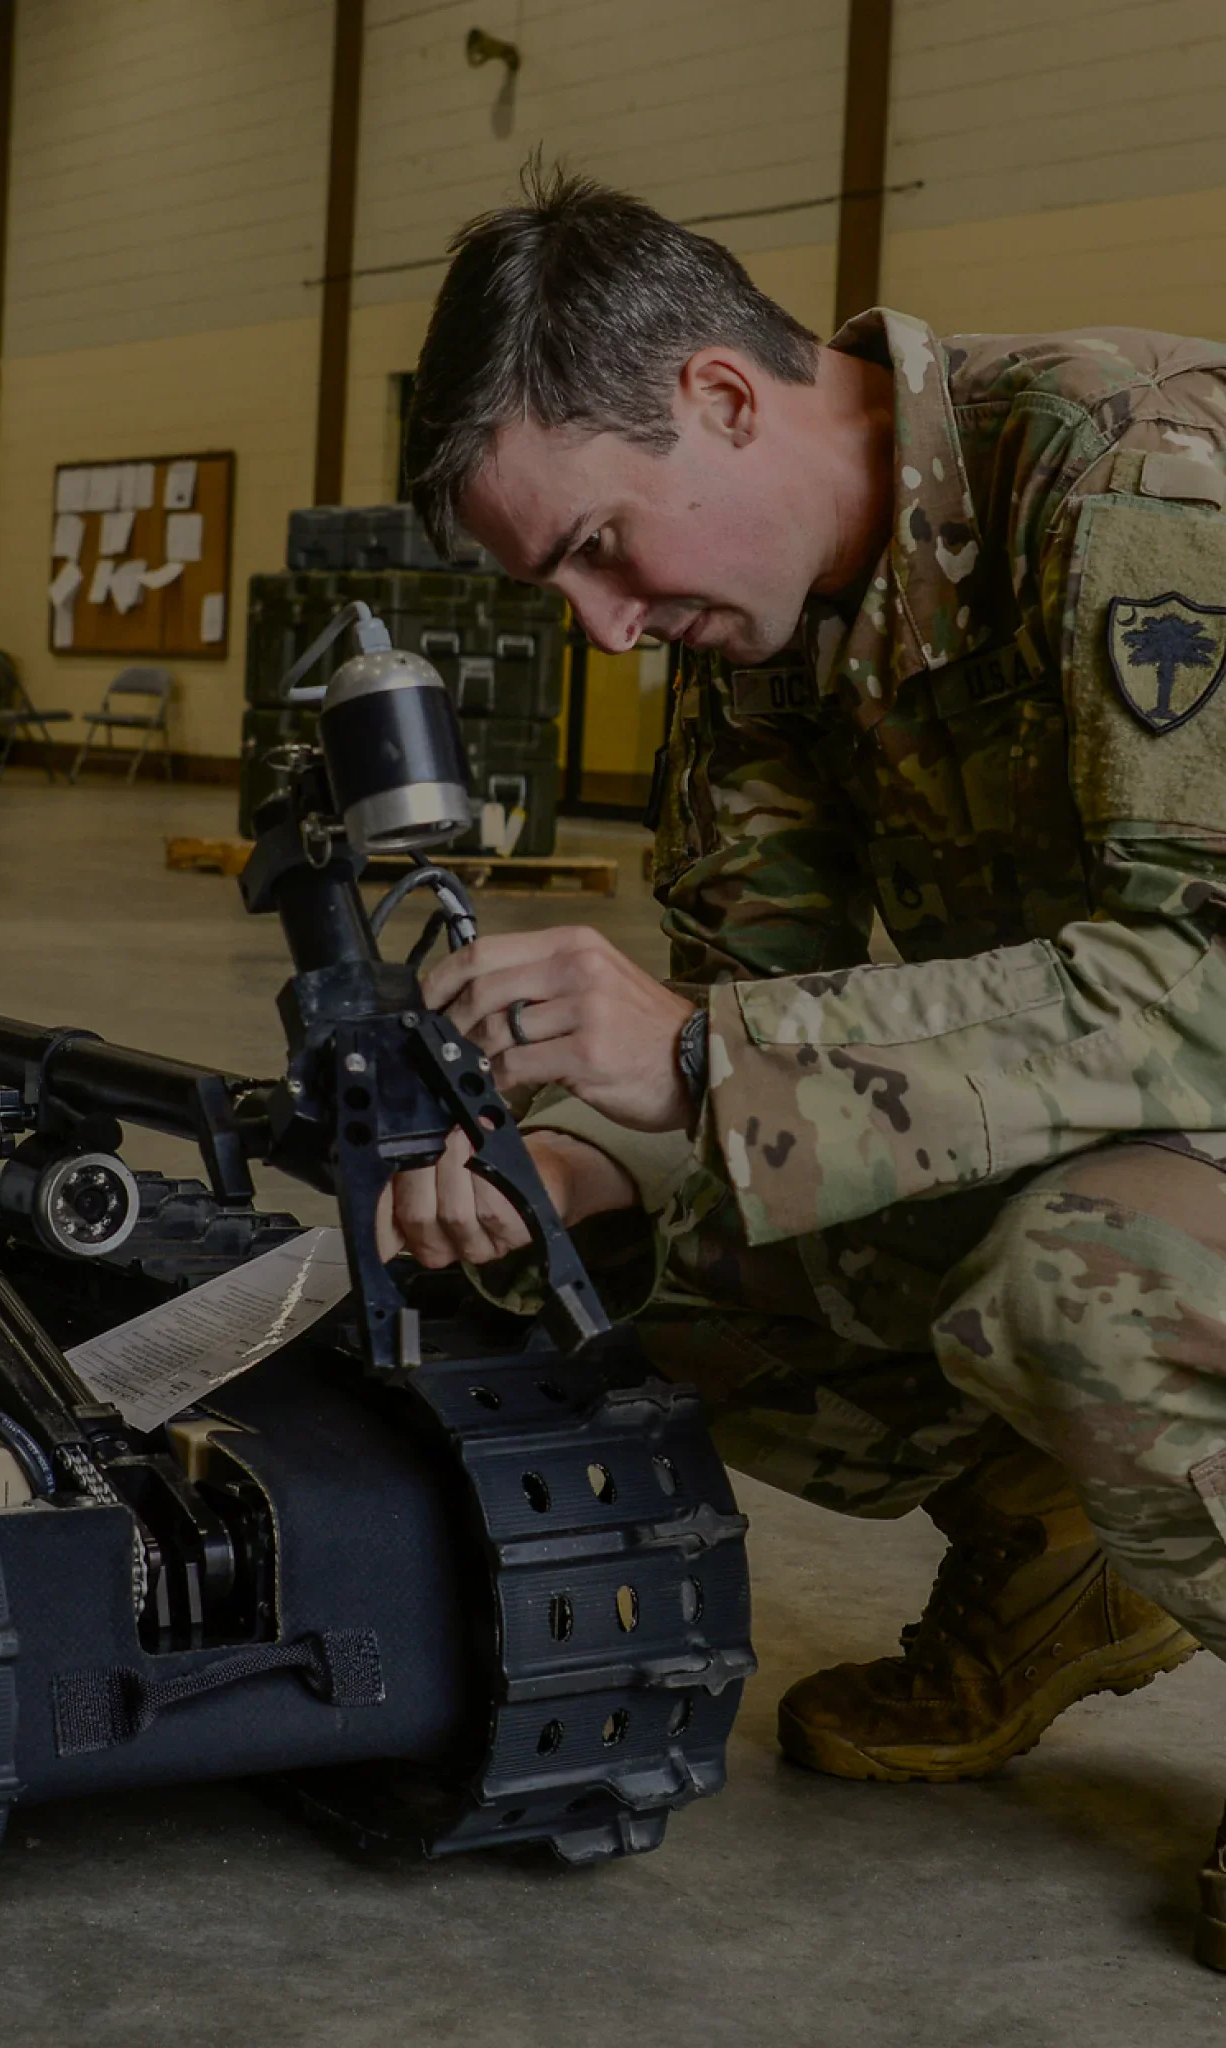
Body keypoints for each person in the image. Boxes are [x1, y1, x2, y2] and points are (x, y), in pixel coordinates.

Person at [384, 163, 1226, 1968]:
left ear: (721, 396)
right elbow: (767, 1011)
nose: (603, 629)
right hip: (1150, 1103)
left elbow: (1205, 981)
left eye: (599, 545)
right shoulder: (758, 631)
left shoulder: (1130, 473)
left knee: (1094, 1277)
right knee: (629, 1275)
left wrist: (699, 1056)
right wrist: (570, 1162)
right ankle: (1062, 1547)